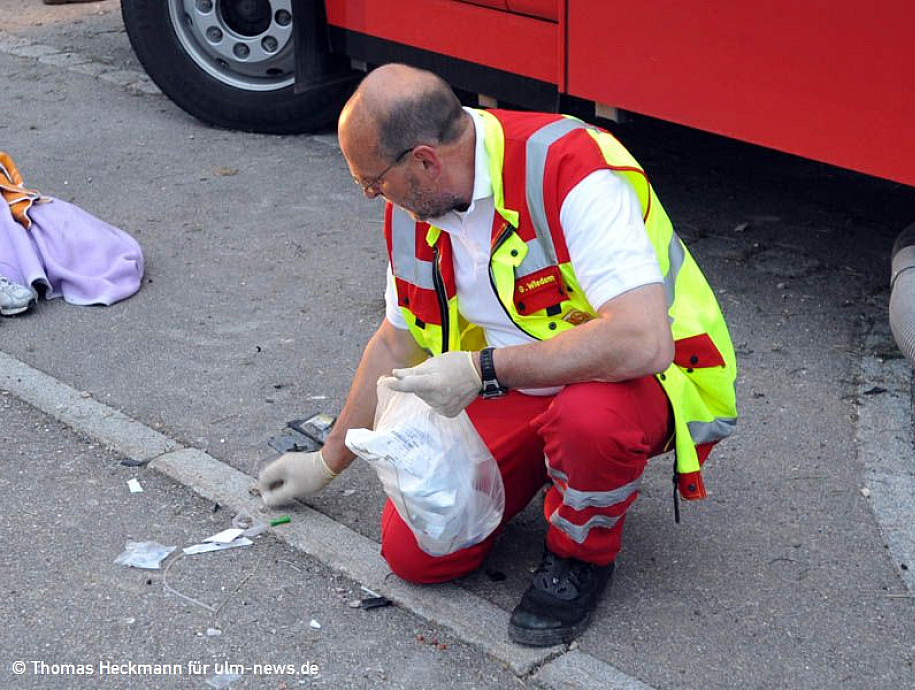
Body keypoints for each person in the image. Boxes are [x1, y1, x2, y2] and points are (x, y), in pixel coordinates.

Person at [258, 64, 737, 646]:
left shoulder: (568, 169)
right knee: (418, 553)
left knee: (589, 422)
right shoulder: (416, 210)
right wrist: (327, 462)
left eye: (373, 181)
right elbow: (395, 340)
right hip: (517, 384)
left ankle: (579, 557)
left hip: (638, 381)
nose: (371, 196)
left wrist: (483, 370)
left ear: (425, 162)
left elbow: (643, 341)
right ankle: (550, 464)